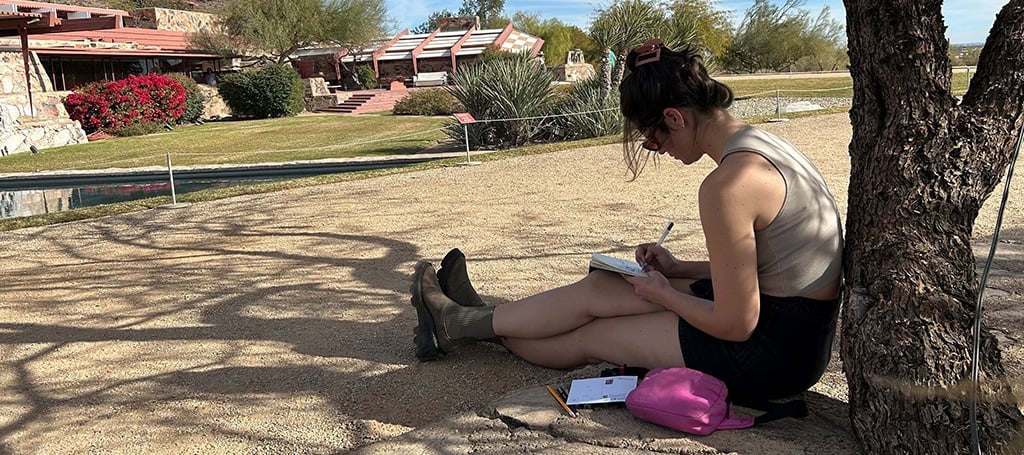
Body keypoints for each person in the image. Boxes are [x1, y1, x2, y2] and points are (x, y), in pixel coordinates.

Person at [409, 39, 843, 404]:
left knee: (596, 335)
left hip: (773, 353)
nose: (659, 150)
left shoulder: (729, 184)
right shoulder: (764, 146)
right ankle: (474, 319)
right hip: (786, 320)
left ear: (675, 117)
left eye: (653, 140)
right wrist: (677, 272)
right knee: (603, 288)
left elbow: (736, 323)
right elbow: (771, 268)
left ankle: (461, 324)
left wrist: (664, 295)